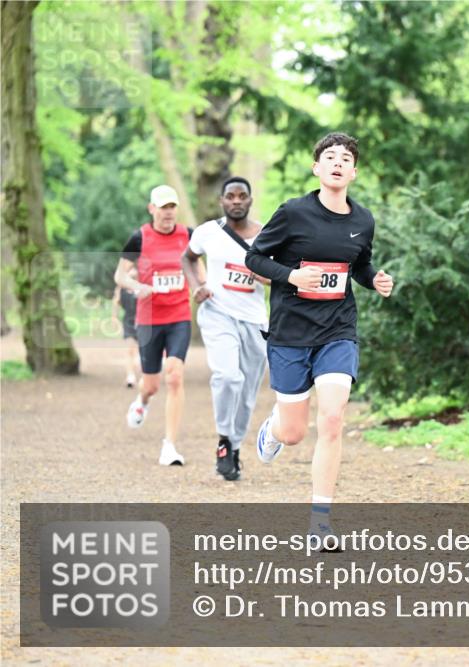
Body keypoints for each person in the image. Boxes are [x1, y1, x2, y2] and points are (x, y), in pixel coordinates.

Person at [245, 132, 394, 544]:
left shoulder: (363, 220)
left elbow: (359, 265)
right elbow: (253, 258)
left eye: (345, 158)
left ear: (354, 172)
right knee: (293, 432)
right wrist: (291, 275)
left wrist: (374, 279)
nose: (337, 162)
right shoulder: (293, 213)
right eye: (330, 156)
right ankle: (272, 430)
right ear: (316, 167)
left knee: (331, 418)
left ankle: (320, 521)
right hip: (291, 332)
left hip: (337, 331)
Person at [180, 177, 269, 482]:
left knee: (247, 392)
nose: (236, 201)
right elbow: (187, 258)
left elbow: (279, 276)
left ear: (250, 200)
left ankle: (234, 446)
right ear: (221, 201)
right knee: (228, 376)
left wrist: (264, 275)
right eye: (230, 196)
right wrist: (197, 287)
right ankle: (223, 440)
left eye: (241, 196)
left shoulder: (267, 235)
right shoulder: (208, 232)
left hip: (255, 320)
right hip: (218, 313)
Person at [113, 184, 197, 467]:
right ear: (152, 209)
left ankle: (169, 446)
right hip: (149, 321)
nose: (168, 213)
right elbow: (119, 276)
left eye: (172, 207)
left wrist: (202, 286)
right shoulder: (139, 238)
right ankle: (142, 401)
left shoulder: (188, 235)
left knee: (174, 375)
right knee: (151, 384)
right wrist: (137, 286)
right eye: (163, 207)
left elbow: (198, 267)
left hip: (179, 316)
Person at [113, 267, 141, 388]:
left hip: (143, 322)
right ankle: (130, 376)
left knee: (143, 351)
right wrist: (114, 317)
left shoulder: (142, 288)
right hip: (129, 321)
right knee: (130, 349)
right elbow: (116, 302)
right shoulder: (121, 289)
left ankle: (146, 376)